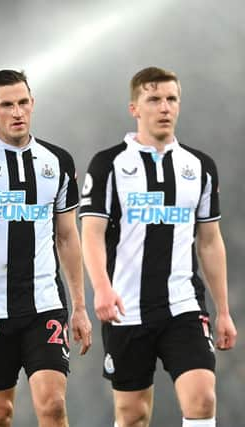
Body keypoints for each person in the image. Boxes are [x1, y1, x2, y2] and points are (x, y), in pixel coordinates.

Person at [80, 66, 238, 427]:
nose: (164, 107)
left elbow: (210, 241)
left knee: (202, 397)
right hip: (126, 308)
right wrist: (102, 289)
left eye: (171, 99)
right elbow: (91, 233)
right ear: (135, 108)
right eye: (154, 99)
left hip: (182, 304)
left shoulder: (199, 166)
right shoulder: (109, 164)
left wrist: (224, 310)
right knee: (132, 414)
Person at [0, 69, 92, 427]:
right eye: (7, 104)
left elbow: (68, 237)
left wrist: (80, 306)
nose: (17, 112)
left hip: (44, 303)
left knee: (53, 405)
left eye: (23, 102)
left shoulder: (58, 161)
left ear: (33, 103)